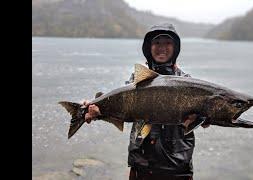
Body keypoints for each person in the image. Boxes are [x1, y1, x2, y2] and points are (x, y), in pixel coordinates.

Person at [83, 23, 210, 180]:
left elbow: (202, 119)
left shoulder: (188, 82)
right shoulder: (137, 81)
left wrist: (203, 119)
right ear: (148, 47)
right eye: (157, 42)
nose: (162, 47)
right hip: (141, 165)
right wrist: (96, 110)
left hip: (177, 167)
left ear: (175, 48)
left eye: (167, 42)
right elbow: (122, 109)